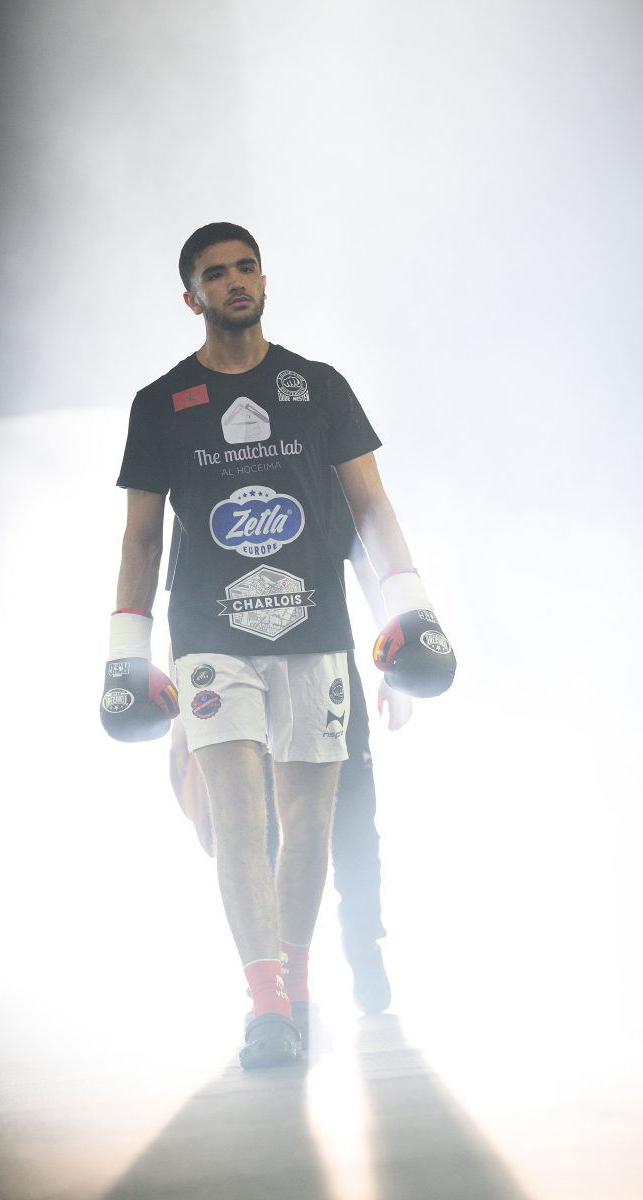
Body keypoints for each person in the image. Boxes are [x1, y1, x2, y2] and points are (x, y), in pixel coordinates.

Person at [101, 221, 455, 1069]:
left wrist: (411, 609)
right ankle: (264, 1004)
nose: (235, 283)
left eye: (246, 268)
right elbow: (142, 539)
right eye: (216, 275)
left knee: (310, 820)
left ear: (264, 280)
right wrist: (125, 651)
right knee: (239, 812)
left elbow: (369, 508)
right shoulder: (162, 404)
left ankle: (296, 980)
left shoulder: (319, 388)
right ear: (192, 297)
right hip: (212, 633)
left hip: (316, 629)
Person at [166, 477, 414, 1016]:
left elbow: (368, 565)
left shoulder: (317, 469)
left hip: (324, 659)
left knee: (352, 817)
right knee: (264, 827)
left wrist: (395, 669)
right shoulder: (207, 479)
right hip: (236, 671)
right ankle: (272, 981)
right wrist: (182, 710)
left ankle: (362, 945)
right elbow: (182, 598)